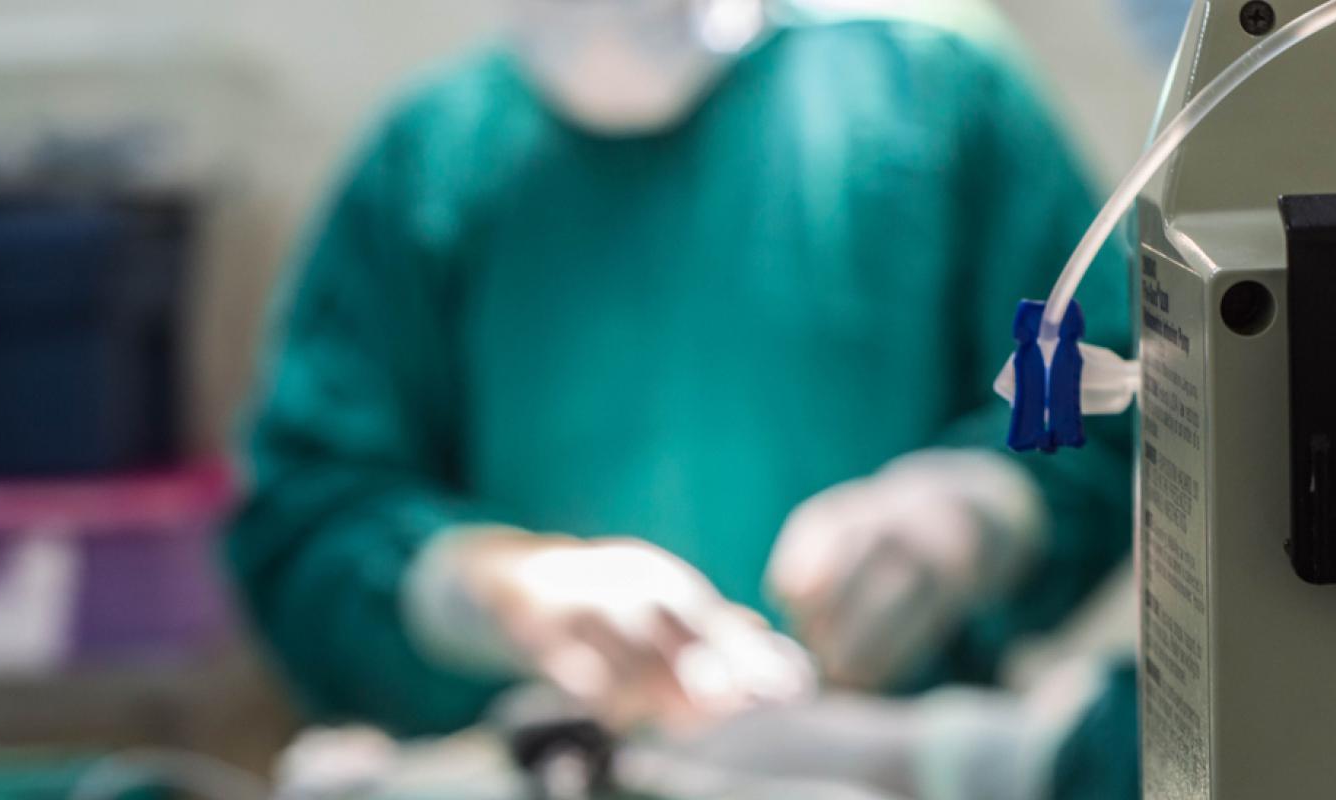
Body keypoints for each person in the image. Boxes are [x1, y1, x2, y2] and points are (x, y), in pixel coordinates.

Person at [229, 0, 1136, 794]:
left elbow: (1108, 396)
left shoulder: (933, 91)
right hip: (545, 767)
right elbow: (308, 519)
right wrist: (487, 590)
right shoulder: (431, 159)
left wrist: (977, 512)